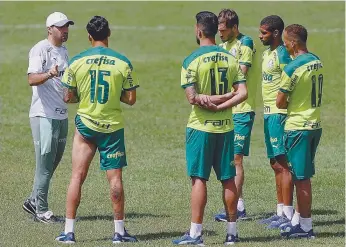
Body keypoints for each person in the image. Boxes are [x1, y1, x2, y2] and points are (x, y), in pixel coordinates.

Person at [55, 16, 139, 244]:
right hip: (112, 129)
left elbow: (67, 96)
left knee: (76, 177)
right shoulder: (122, 62)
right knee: (115, 180)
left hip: (86, 126)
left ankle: (69, 232)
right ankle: (119, 233)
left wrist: (82, 96)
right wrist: (115, 94)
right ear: (108, 34)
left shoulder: (77, 62)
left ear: (89, 36)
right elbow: (131, 98)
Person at [172, 11, 248, 245]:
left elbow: (192, 98)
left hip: (200, 128)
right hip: (226, 128)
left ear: (199, 30)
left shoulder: (191, 60)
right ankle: (232, 233)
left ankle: (195, 234)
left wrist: (210, 101)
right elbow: (242, 93)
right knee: (228, 179)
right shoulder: (230, 58)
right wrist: (225, 100)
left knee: (199, 179)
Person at [23, 11, 74, 223]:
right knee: (44, 165)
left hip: (61, 115)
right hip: (43, 115)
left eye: (67, 26)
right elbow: (31, 79)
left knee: (53, 161)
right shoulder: (39, 50)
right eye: (61, 27)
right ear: (49, 29)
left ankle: (33, 200)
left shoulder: (64, 51)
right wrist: (49, 74)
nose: (65, 30)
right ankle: (41, 211)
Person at [277, 24, 323, 239]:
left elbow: (279, 102)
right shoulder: (316, 60)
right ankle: (298, 219)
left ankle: (305, 226)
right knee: (301, 174)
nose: (284, 45)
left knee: (301, 178)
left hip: (298, 128)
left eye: (286, 42)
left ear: (294, 43)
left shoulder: (292, 67)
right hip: (314, 125)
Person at [214, 9, 256, 221]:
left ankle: (237, 209)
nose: (219, 33)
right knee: (231, 160)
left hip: (242, 109)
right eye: (218, 30)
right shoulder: (222, 46)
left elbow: (241, 75)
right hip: (228, 109)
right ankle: (239, 205)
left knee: (236, 159)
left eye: (223, 30)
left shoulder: (245, 43)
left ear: (234, 28)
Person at [257, 15, 295, 229]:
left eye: (264, 32)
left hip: (279, 115)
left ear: (276, 33)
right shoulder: (267, 53)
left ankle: (288, 214)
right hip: (269, 114)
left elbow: (291, 81)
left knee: (282, 164)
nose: (260, 36)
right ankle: (280, 209)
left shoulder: (282, 54)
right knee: (274, 163)